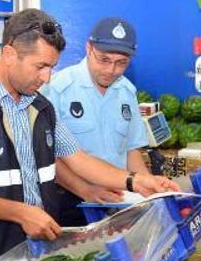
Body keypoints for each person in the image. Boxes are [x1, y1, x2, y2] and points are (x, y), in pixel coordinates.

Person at [0, 8, 176, 261]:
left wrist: (137, 181)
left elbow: (79, 160)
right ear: (9, 54)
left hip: (35, 251)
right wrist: (21, 213)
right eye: (40, 67)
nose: (47, 77)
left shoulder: (41, 107)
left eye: (52, 67)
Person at [44, 17, 151, 226]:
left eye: (121, 63)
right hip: (71, 201)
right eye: (104, 59)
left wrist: (148, 191)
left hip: (119, 200)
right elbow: (47, 158)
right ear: (88, 48)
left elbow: (132, 150)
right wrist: (85, 190)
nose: (111, 70)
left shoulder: (127, 92)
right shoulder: (56, 89)